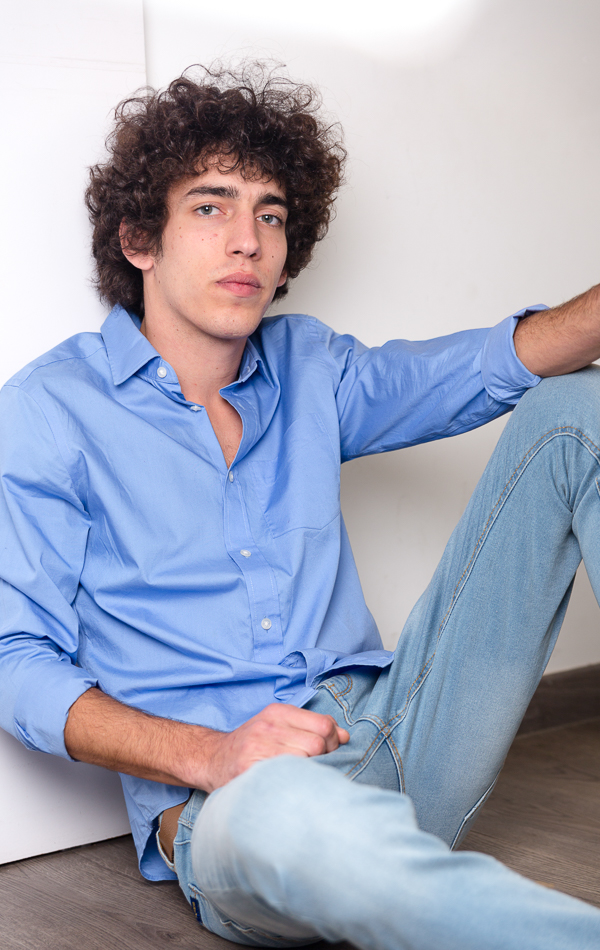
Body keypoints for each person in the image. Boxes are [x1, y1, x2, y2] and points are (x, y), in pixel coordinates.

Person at [1, 63, 600, 949]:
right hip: (236, 801)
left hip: (398, 732)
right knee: (283, 812)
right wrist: (213, 755)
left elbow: (488, 363)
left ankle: (387, 866)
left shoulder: (311, 366)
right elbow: (13, 660)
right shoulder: (51, 411)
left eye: (270, 214)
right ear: (139, 238)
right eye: (211, 207)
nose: (247, 240)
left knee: (577, 407)